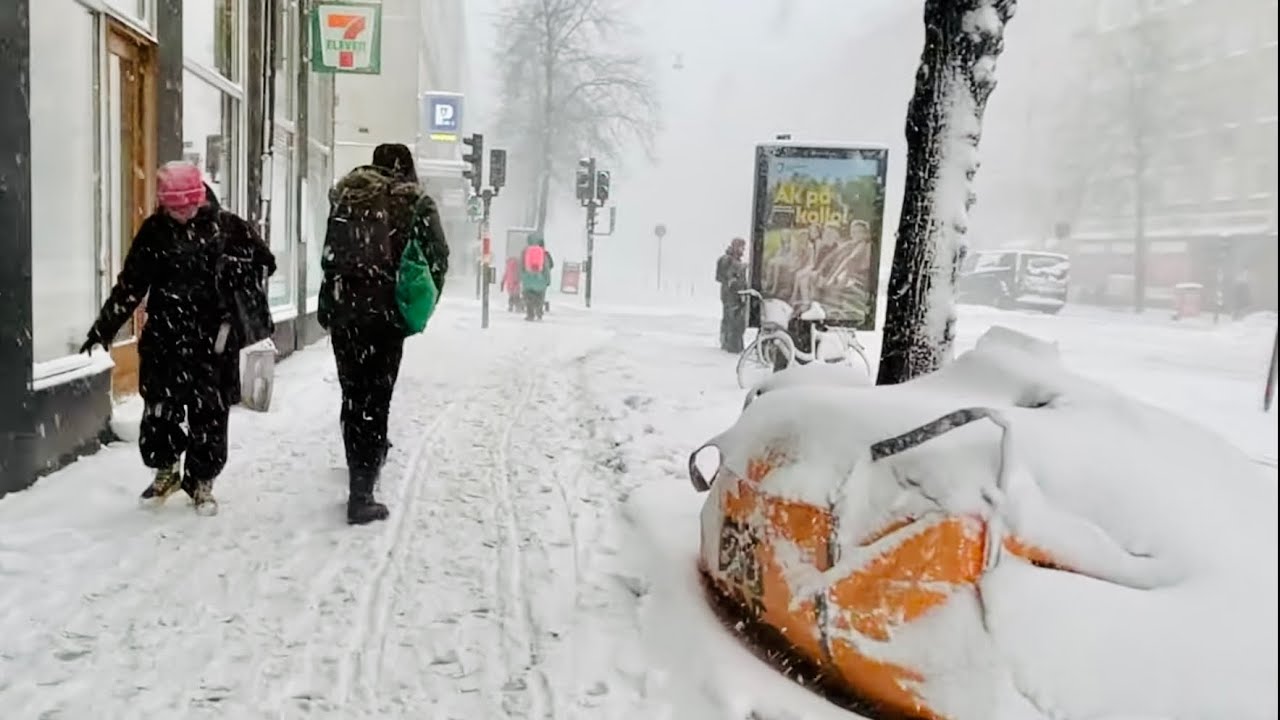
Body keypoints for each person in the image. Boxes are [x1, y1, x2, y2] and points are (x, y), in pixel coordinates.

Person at [80, 161, 276, 516]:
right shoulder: (155, 232)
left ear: (200, 198)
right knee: (160, 411)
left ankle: (202, 481)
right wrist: (104, 328)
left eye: (186, 207)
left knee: (209, 415)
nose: (181, 215)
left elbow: (266, 262)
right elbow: (131, 285)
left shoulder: (228, 228)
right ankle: (165, 472)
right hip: (166, 339)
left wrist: (237, 271)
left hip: (215, 339)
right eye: (173, 208)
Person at [319, 143, 449, 525]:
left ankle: (361, 459)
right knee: (376, 397)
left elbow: (329, 255)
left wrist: (332, 304)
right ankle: (362, 490)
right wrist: (419, 300)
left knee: (353, 394)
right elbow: (438, 255)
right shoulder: (414, 203)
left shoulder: (347, 196)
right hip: (386, 316)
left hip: (345, 313)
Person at [716, 237, 748, 352]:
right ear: (735, 246)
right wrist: (734, 279)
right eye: (741, 247)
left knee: (732, 318)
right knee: (733, 319)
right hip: (731, 295)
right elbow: (722, 277)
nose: (743, 250)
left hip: (734, 294)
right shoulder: (727, 260)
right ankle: (732, 345)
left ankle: (730, 343)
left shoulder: (734, 260)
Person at [520, 233, 553, 321]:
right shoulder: (543, 253)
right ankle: (539, 311)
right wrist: (547, 280)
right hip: (540, 279)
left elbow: (521, 267)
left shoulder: (525, 252)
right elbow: (546, 268)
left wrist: (522, 278)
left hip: (528, 279)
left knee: (528, 296)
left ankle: (530, 314)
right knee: (540, 295)